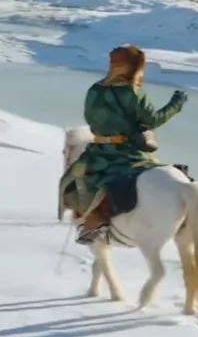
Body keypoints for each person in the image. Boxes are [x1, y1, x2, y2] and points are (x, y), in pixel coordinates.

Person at [73, 44, 187, 244]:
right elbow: (153, 120)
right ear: (135, 67)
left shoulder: (95, 90)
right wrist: (176, 104)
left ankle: (91, 222)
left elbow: (90, 118)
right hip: (129, 152)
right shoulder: (132, 92)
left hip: (100, 150)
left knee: (79, 179)